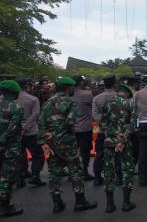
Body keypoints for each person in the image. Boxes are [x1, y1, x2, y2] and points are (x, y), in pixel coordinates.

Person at [39, 76, 97, 213]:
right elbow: (70, 122)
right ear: (67, 88)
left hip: (51, 144)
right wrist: (59, 134)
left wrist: (44, 141)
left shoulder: (47, 103)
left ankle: (57, 203)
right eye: (72, 87)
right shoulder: (70, 102)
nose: (73, 89)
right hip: (67, 143)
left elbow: (41, 124)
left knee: (54, 173)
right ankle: (80, 201)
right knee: (76, 171)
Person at [101, 84, 137, 213]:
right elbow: (132, 125)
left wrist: (112, 135)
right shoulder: (129, 104)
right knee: (127, 170)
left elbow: (103, 124)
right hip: (124, 142)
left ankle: (109, 204)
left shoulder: (107, 103)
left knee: (109, 171)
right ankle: (126, 203)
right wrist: (122, 139)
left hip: (109, 141)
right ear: (127, 93)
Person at [0, 80, 25, 217]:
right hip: (9, 147)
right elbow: (12, 128)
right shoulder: (16, 107)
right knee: (7, 177)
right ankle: (4, 207)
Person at [15, 78, 45, 187]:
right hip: (31, 131)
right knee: (38, 155)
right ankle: (35, 176)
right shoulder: (32, 99)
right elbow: (35, 114)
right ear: (27, 86)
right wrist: (26, 127)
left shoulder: (7, 99)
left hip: (15, 131)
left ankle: (20, 176)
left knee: (19, 153)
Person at [92, 74, 118, 186]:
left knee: (99, 154)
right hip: (117, 130)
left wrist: (103, 123)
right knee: (118, 153)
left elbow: (95, 115)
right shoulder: (119, 97)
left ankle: (97, 177)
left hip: (101, 131)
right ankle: (119, 176)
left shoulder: (97, 98)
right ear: (114, 84)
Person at [71, 75, 95, 181]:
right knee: (85, 151)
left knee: (71, 151)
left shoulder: (67, 95)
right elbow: (92, 106)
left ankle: (73, 173)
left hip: (70, 127)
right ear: (81, 83)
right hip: (85, 127)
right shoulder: (87, 94)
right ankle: (84, 172)